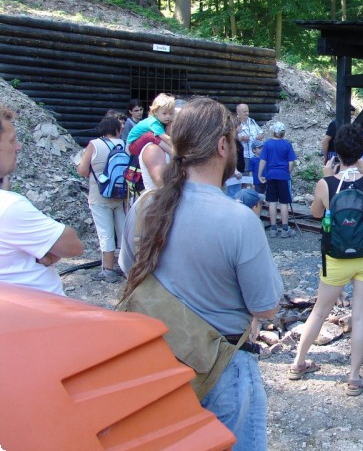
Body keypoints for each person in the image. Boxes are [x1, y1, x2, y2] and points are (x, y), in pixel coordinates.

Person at [119, 97, 284, 450]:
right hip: (220, 366)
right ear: (224, 146)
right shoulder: (239, 218)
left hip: (155, 362)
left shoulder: (145, 204)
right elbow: (266, 306)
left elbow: (127, 270)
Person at [288, 124, 363, 395]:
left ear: (336, 152)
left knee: (320, 311)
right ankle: (354, 377)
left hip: (334, 257)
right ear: (362, 150)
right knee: (359, 316)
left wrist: (324, 178)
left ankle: (298, 363)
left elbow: (316, 213)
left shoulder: (326, 183)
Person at [0, 106, 84, 295]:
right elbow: (73, 245)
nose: (18, 146)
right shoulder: (10, 208)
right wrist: (45, 249)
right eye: (12, 140)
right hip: (42, 315)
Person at [76, 115, 126, 283]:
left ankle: (108, 270)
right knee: (124, 232)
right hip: (121, 195)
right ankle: (127, 267)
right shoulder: (124, 145)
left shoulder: (94, 144)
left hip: (99, 195)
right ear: (118, 130)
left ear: (102, 130)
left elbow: (83, 170)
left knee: (105, 233)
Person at [257, 122, 297, 238]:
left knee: (272, 202)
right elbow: (291, 162)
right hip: (283, 176)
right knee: (284, 202)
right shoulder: (287, 144)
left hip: (271, 176)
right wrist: (287, 172)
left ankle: (273, 228)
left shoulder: (267, 144)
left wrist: (260, 174)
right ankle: (285, 229)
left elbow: (263, 161)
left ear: (272, 131)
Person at [236, 103, 264, 187]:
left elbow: (262, 133)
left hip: (254, 155)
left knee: (254, 175)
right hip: (243, 155)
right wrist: (241, 139)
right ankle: (243, 193)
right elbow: (231, 139)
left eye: (247, 111)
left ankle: (253, 191)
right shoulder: (235, 123)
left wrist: (260, 136)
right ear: (238, 113)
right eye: (244, 112)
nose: (247, 113)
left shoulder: (252, 121)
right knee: (243, 176)